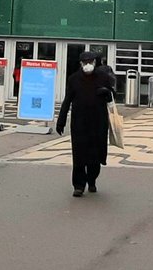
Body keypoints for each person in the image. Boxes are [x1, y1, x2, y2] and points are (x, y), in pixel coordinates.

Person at [56, 50, 112, 197]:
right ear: (81, 64)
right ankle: (78, 185)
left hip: (98, 122)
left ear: (95, 63)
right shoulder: (74, 79)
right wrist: (61, 121)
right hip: (79, 123)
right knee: (79, 155)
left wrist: (106, 93)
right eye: (85, 62)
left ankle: (92, 179)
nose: (88, 65)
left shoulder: (103, 77)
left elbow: (112, 99)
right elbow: (67, 100)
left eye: (90, 62)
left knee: (95, 156)